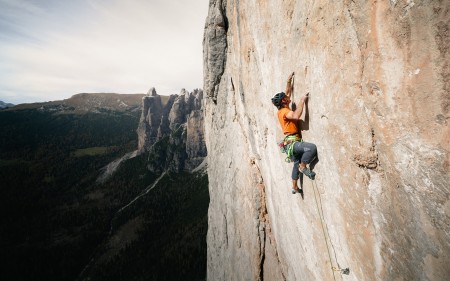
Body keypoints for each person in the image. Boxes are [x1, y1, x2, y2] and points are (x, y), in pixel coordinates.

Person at [271, 72, 317, 194]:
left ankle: (295, 187)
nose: (287, 96)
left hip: (289, 143)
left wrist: (288, 80)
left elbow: (287, 92)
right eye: (285, 97)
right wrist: (302, 101)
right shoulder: (285, 111)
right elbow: (296, 115)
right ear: (283, 101)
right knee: (311, 148)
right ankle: (303, 167)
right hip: (293, 143)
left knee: (295, 162)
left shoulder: (281, 109)